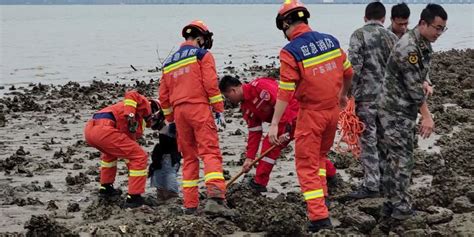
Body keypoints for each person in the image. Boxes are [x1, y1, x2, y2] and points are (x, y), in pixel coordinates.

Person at [268, 0, 353, 232]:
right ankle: (323, 199)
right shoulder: (330, 40)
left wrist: (275, 123)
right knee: (320, 158)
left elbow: (285, 91)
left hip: (312, 114)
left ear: (286, 23)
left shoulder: (290, 51)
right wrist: (343, 95)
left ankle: (319, 218)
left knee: (306, 165)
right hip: (332, 112)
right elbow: (349, 71)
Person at [377, 4, 446, 228]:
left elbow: (418, 78)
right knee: (401, 159)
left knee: (394, 158)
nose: (439, 33)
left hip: (401, 109)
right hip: (395, 111)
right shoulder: (409, 46)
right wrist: (427, 116)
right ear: (423, 23)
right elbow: (413, 87)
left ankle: (391, 204)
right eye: (437, 28)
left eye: (442, 29)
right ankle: (401, 208)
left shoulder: (423, 44)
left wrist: (425, 82)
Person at [219, 75, 337, 194]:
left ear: (233, 90)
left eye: (227, 97)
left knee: (305, 149)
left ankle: (259, 183)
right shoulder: (246, 108)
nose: (228, 100)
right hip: (281, 123)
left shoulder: (260, 87)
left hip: (298, 114)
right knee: (287, 148)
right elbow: (255, 132)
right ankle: (331, 175)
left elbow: (283, 102)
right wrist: (249, 158)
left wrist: (283, 128)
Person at [158, 20, 230, 215]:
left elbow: (163, 96)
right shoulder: (202, 55)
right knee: (210, 153)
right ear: (200, 39)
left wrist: (171, 119)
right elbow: (210, 85)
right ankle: (215, 198)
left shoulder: (169, 62)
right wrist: (218, 110)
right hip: (199, 108)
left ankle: (190, 205)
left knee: (189, 158)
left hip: (180, 114)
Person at [347, 2, 398, 199]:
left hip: (366, 98)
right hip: (387, 99)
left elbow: (354, 68)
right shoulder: (392, 37)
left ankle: (371, 185)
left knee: (368, 141)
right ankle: (385, 182)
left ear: (365, 17)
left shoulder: (358, 35)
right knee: (384, 140)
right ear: (384, 19)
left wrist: (348, 94)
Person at [84, 90, 163, 208]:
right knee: (140, 156)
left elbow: (128, 149)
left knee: (109, 155)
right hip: (105, 129)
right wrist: (130, 114)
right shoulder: (145, 106)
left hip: (90, 130)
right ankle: (134, 198)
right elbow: (132, 94)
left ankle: (105, 188)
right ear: (156, 112)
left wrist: (132, 167)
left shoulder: (135, 117)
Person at [148, 122, 181, 204]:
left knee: (165, 170)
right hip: (167, 148)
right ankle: (165, 193)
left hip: (169, 147)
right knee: (163, 169)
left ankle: (168, 194)